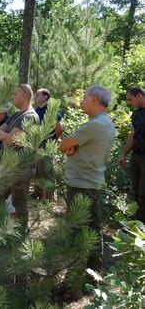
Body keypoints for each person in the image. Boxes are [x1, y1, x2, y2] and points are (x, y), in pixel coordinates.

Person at [58, 85, 115, 271]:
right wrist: (71, 148)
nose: (81, 101)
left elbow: (64, 145)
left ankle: (77, 276)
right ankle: (93, 273)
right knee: (92, 228)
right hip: (91, 182)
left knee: (78, 229)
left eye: (84, 98)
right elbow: (71, 147)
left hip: (82, 183)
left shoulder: (94, 125)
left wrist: (69, 147)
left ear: (94, 100)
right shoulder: (105, 122)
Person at [0, 84, 40, 225]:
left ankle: (19, 238)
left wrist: (4, 135)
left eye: (15, 94)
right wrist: (4, 135)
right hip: (9, 166)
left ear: (25, 95)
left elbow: (11, 140)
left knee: (19, 204)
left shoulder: (29, 116)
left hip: (21, 167)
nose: (11, 97)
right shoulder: (17, 114)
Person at [118, 86, 145, 223]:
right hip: (136, 156)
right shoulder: (136, 113)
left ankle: (141, 225)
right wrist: (123, 153)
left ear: (140, 95)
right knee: (135, 189)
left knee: (143, 193)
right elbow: (132, 135)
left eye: (130, 99)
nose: (129, 102)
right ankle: (136, 222)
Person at [33, 88, 63, 199]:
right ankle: (38, 194)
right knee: (37, 172)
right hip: (36, 146)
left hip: (47, 147)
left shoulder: (51, 110)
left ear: (45, 97)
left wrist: (53, 140)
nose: (35, 97)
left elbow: (59, 128)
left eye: (37, 95)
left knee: (47, 172)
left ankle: (50, 197)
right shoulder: (36, 111)